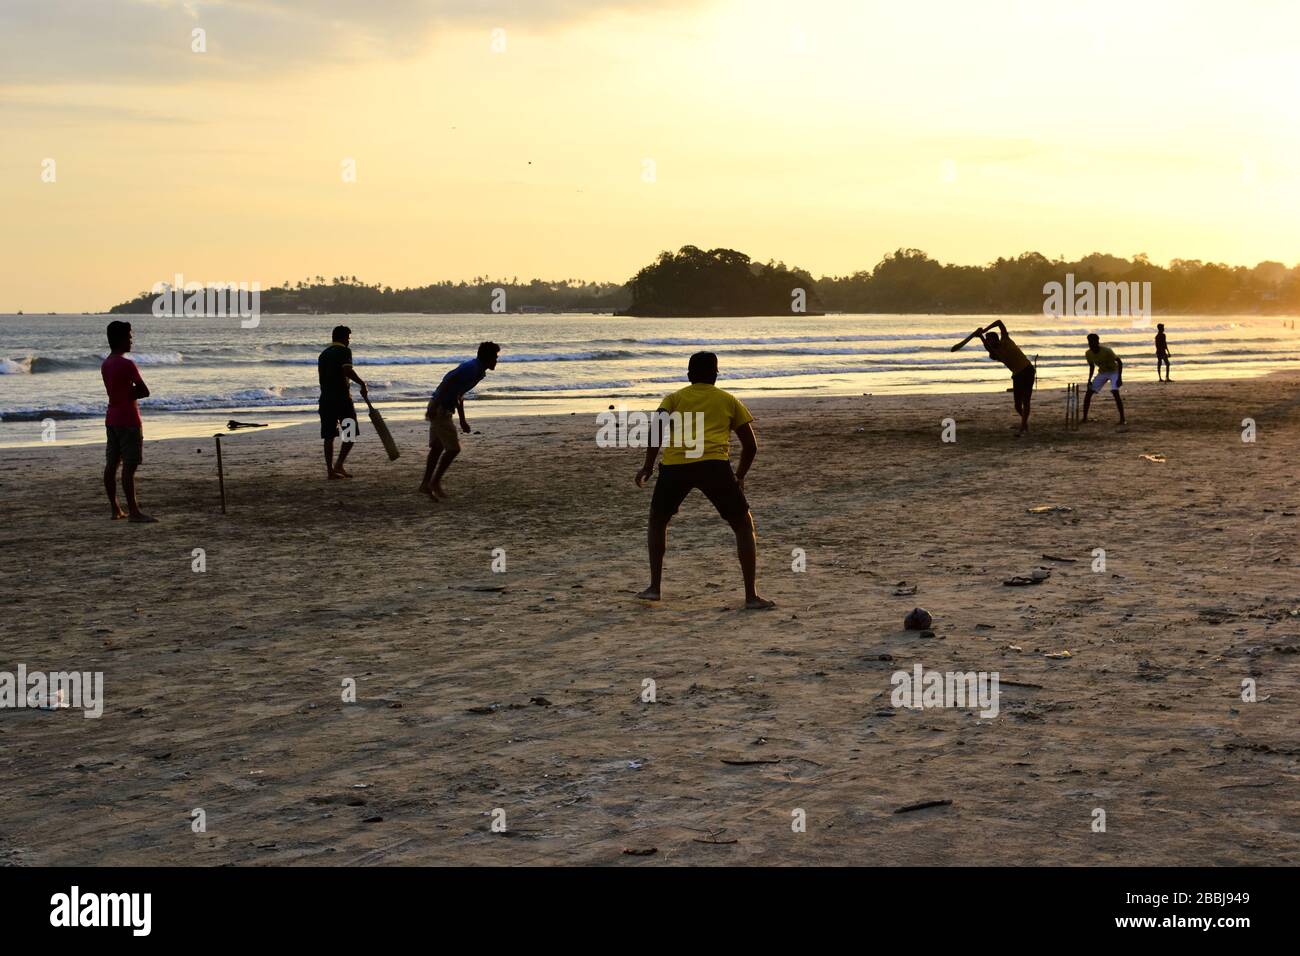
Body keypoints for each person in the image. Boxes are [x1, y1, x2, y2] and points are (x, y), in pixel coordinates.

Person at [634, 351, 774, 610]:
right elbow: (751, 446)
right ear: (716, 376)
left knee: (658, 520)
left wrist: (648, 466)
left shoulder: (674, 398)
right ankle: (751, 595)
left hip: (676, 466)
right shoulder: (729, 400)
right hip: (714, 466)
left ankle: (654, 588)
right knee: (743, 526)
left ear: (688, 375)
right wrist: (740, 476)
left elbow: (656, 431)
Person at [420, 341, 500, 499]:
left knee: (437, 448)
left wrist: (462, 419)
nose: (497, 361)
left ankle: (425, 484)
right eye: (495, 357)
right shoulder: (472, 368)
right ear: (488, 357)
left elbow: (459, 393)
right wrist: (433, 405)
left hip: (444, 408)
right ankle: (434, 483)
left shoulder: (479, 371)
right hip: (440, 409)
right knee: (453, 449)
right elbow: (447, 381)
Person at [100, 320, 157, 522]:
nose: (132, 340)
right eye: (130, 337)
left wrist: (122, 393)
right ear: (121, 339)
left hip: (112, 418)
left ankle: (115, 508)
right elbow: (143, 390)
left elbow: (114, 391)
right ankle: (134, 512)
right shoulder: (127, 364)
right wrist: (129, 393)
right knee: (129, 466)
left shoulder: (106, 363)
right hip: (129, 419)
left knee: (111, 464)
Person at [318, 325, 368, 479]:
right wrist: (361, 383)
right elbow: (347, 370)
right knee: (350, 433)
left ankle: (330, 471)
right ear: (343, 337)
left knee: (329, 436)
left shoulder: (323, 354)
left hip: (325, 399)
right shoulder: (344, 351)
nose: (349, 341)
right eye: (348, 338)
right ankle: (339, 464)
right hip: (342, 399)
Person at [969, 319, 1035, 434]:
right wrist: (981, 337)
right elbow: (987, 347)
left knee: (1026, 400)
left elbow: (999, 322)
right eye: (988, 341)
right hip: (1017, 375)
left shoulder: (1005, 339)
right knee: (1017, 405)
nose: (989, 342)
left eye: (990, 340)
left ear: (995, 339)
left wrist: (984, 330)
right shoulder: (996, 353)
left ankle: (1023, 426)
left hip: (1027, 370)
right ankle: (1025, 423)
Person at [1082, 333, 1126, 424]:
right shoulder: (1088, 353)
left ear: (1097, 342)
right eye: (1089, 342)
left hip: (1114, 371)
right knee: (1089, 392)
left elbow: (1119, 362)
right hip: (1102, 372)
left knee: (1115, 392)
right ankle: (1084, 418)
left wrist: (1119, 378)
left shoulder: (1107, 351)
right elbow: (1092, 367)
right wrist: (1089, 380)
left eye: (1093, 342)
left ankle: (1122, 419)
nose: (1091, 344)